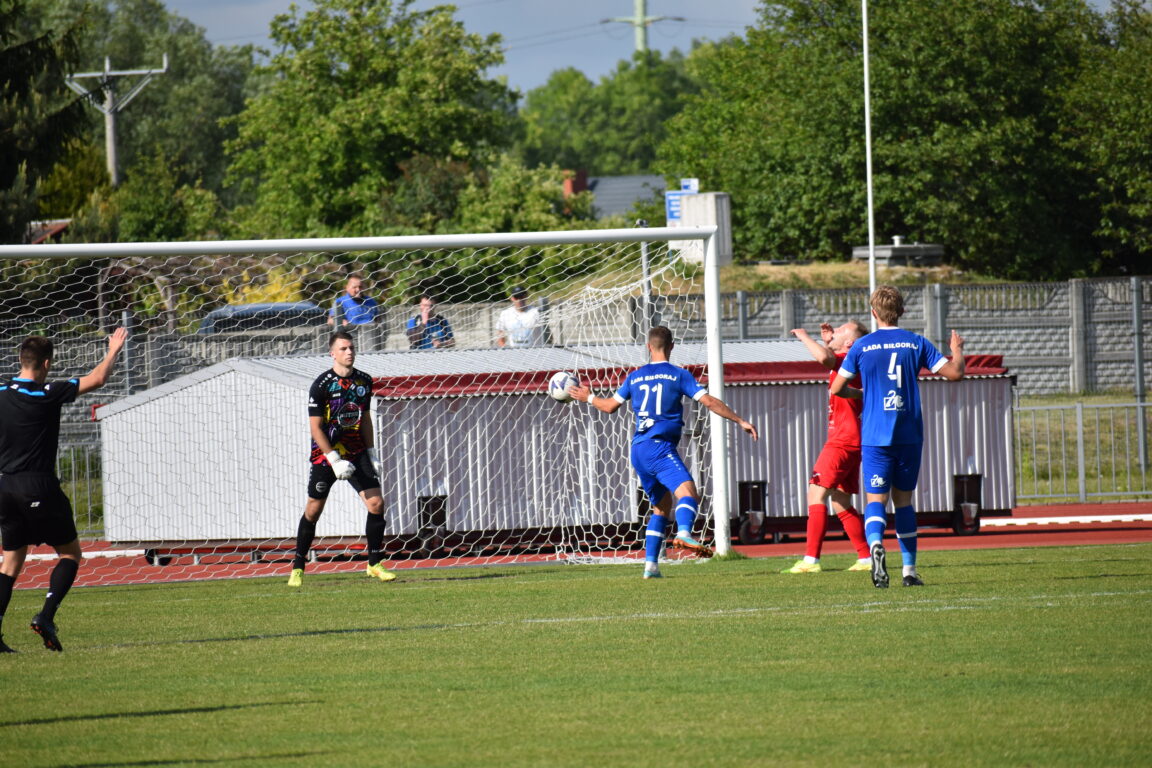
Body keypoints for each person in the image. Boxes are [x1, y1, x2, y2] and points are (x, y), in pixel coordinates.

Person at [568, 326, 759, 579]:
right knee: (688, 491)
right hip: (659, 447)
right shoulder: (679, 375)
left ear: (648, 347)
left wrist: (589, 397)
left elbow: (610, 407)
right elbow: (710, 401)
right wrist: (739, 420)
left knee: (661, 506)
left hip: (638, 450)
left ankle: (651, 567)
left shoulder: (634, 377)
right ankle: (684, 534)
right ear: (672, 346)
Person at [0, 327, 128, 652]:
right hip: (38, 485)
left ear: (19, 360)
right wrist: (113, 350)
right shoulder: (47, 393)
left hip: (5, 486)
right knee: (70, 553)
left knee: (11, 561)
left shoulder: (1, 391)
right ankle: (45, 615)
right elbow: (97, 378)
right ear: (45, 364)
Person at [830, 285, 966, 588]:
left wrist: (862, 394)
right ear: (902, 311)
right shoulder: (916, 343)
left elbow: (836, 389)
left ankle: (876, 544)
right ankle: (909, 571)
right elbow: (955, 374)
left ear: (873, 313)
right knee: (903, 501)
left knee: (874, 499)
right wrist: (957, 349)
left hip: (875, 436)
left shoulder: (861, 346)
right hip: (908, 435)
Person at [288, 331, 395, 587]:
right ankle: (298, 566)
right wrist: (334, 459)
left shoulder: (364, 381)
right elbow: (316, 429)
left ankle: (374, 563)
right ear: (332, 353)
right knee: (313, 510)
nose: (350, 352)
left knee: (376, 504)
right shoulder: (322, 384)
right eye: (344, 348)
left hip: (356, 452)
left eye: (352, 348)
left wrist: (371, 452)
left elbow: (365, 418)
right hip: (326, 456)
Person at [782, 321, 873, 574]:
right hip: (851, 440)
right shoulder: (849, 361)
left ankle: (811, 560)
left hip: (842, 441)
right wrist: (827, 341)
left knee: (816, 493)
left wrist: (804, 336)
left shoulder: (849, 359)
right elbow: (829, 355)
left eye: (842, 330)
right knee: (841, 502)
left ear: (850, 343)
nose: (836, 330)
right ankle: (866, 558)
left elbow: (824, 358)